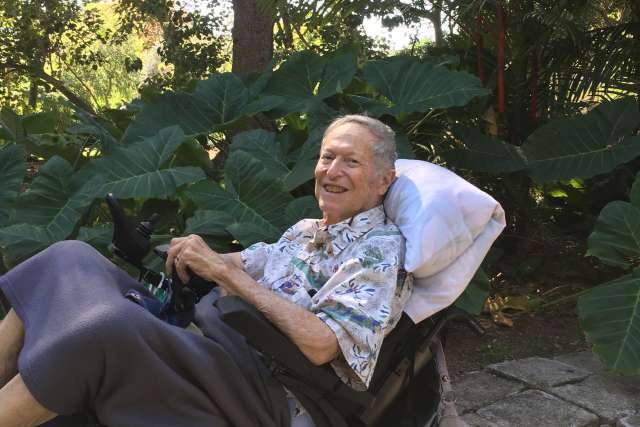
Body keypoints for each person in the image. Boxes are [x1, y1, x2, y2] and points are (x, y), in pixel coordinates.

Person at [0, 114, 413, 427]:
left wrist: (226, 275)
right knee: (69, 258)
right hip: (209, 335)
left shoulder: (378, 250)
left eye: (351, 162)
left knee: (103, 330)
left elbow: (323, 343)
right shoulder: (309, 230)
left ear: (383, 181)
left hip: (261, 382)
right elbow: (248, 260)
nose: (332, 171)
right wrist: (188, 249)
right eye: (327, 157)